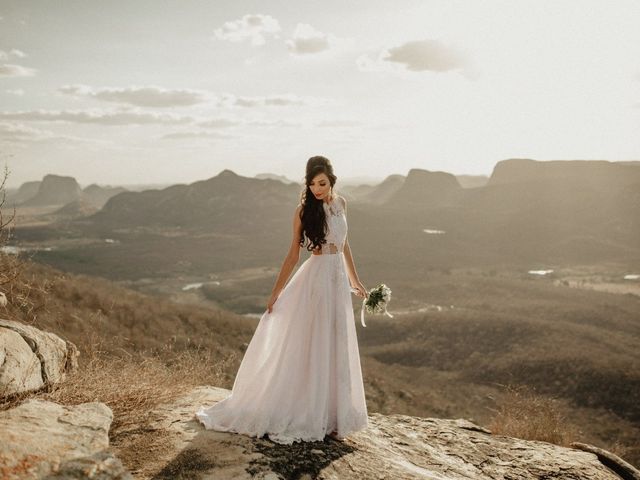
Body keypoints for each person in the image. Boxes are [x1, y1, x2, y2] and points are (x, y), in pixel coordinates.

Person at [195, 155, 370, 444]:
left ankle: (334, 417)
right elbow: (293, 254)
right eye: (312, 183)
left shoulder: (341, 205)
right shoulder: (303, 211)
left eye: (322, 183)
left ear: (332, 181)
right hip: (316, 278)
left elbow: (345, 244)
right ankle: (310, 414)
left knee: (335, 341)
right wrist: (276, 291)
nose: (317, 188)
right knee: (314, 341)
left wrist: (355, 280)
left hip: (337, 280)